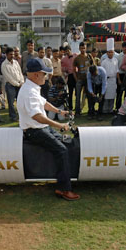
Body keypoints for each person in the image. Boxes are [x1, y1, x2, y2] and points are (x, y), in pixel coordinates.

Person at [17, 59, 79, 201]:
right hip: (35, 131)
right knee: (62, 150)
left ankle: (62, 181)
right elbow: (38, 116)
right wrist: (60, 125)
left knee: (66, 145)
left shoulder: (32, 87)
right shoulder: (29, 92)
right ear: (35, 75)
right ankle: (64, 189)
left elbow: (43, 103)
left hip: (41, 128)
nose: (46, 77)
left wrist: (59, 111)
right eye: (44, 74)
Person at [1, 47, 25, 122]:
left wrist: (22, 82)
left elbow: (20, 73)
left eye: (13, 54)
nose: (12, 56)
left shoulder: (16, 62)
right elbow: (8, 78)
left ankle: (21, 116)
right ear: (6, 55)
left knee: (20, 101)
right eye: (10, 54)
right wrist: (17, 84)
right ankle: (13, 117)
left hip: (19, 84)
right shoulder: (4, 65)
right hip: (10, 85)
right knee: (11, 103)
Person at [73, 42, 93, 115]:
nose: (83, 49)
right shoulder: (77, 58)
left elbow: (93, 66)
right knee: (78, 96)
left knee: (89, 95)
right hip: (80, 80)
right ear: (79, 48)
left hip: (88, 80)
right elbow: (74, 69)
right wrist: (76, 78)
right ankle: (77, 112)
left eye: (84, 48)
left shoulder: (89, 56)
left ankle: (90, 111)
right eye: (81, 48)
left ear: (86, 48)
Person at [101, 40, 119, 114]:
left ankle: (111, 110)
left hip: (113, 80)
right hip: (106, 80)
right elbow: (102, 72)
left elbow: (117, 71)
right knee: (106, 96)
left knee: (112, 96)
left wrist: (119, 80)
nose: (110, 53)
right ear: (107, 53)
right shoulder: (104, 61)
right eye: (109, 52)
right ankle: (105, 110)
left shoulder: (116, 60)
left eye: (112, 52)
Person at [61, 46, 76, 110]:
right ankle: (70, 107)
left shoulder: (76, 56)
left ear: (70, 50)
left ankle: (78, 107)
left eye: (68, 50)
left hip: (76, 75)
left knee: (77, 93)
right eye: (66, 51)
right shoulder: (63, 59)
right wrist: (65, 71)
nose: (67, 52)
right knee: (70, 92)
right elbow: (63, 68)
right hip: (69, 76)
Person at [115, 41, 126, 110]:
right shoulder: (119, 56)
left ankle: (125, 107)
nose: (125, 48)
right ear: (122, 48)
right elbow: (117, 68)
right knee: (119, 92)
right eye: (124, 47)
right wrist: (118, 79)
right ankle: (118, 107)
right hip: (120, 75)